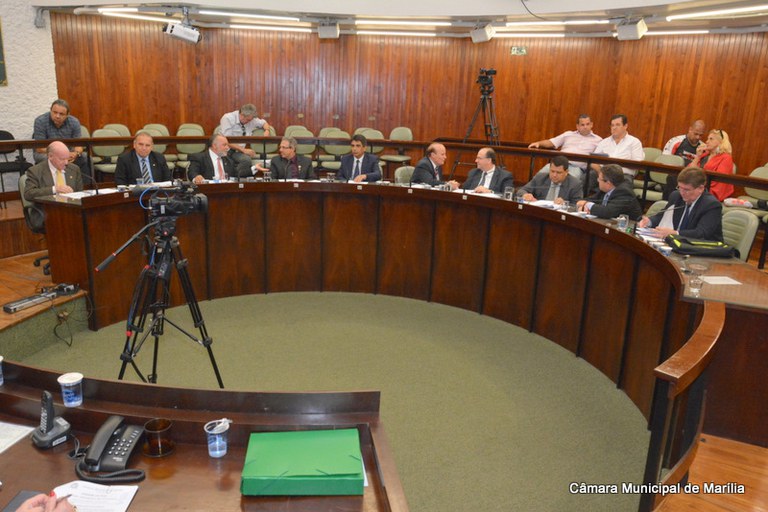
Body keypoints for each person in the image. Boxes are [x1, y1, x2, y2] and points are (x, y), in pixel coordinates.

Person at [638, 166, 723, 242]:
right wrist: (649, 221)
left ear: (700, 188)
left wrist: (674, 233)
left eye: (686, 190)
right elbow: (662, 216)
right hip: (679, 244)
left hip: (705, 249)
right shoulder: (676, 196)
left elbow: (702, 233)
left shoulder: (711, 205)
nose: (682, 192)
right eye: (680, 188)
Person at [24, 141, 84, 232]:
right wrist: (54, 189)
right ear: (50, 156)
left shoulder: (74, 169)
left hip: (71, 210)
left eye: (67, 158)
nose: (66, 162)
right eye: (62, 159)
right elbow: (28, 194)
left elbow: (80, 193)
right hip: (46, 212)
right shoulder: (35, 171)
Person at [528, 114, 602, 179]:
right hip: (558, 164)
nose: (585, 127)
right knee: (540, 176)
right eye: (582, 125)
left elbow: (599, 159)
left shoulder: (598, 140)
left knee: (569, 182)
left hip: (576, 168)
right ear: (577, 126)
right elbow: (552, 142)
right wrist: (539, 143)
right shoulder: (568, 134)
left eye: (587, 124)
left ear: (591, 124)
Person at [32, 99, 88, 176]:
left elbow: (78, 145)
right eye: (55, 112)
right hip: (46, 152)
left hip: (69, 152)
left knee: (84, 157)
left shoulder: (74, 122)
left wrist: (76, 153)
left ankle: (83, 183)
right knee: (50, 159)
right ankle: (54, 182)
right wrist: (62, 154)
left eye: (61, 114)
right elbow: (39, 148)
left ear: (67, 115)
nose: (57, 116)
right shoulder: (40, 121)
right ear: (50, 110)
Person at [218, 104, 272, 176]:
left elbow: (264, 123)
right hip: (224, 149)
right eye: (248, 120)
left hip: (238, 152)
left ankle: (236, 177)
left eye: (251, 120)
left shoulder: (252, 120)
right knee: (225, 161)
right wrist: (244, 150)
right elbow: (226, 140)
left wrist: (267, 130)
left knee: (246, 160)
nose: (250, 121)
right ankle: (230, 177)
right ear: (242, 115)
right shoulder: (227, 118)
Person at [577, 164, 642, 220]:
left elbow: (608, 212)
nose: (597, 180)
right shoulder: (605, 189)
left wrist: (586, 204)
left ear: (608, 183)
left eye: (599, 179)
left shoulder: (625, 193)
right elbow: (591, 199)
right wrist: (584, 204)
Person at [590, 114, 644, 179]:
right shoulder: (604, 142)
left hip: (623, 175)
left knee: (624, 185)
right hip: (603, 173)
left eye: (617, 125)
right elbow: (593, 161)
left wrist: (618, 168)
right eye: (612, 125)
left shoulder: (634, 142)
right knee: (587, 178)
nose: (614, 127)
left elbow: (637, 164)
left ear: (625, 126)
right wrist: (600, 172)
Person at [689, 129, 735, 201]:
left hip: (709, 192)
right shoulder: (704, 155)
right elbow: (688, 172)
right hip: (694, 187)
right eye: (708, 139)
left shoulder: (726, 158)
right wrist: (697, 156)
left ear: (720, 142)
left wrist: (698, 189)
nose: (707, 141)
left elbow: (720, 181)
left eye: (711, 139)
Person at [517, 155, 583, 204]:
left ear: (566, 172)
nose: (554, 175)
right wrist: (525, 195)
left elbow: (577, 205)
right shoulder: (540, 178)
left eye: (558, 172)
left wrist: (564, 203)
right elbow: (521, 190)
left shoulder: (575, 184)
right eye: (552, 171)